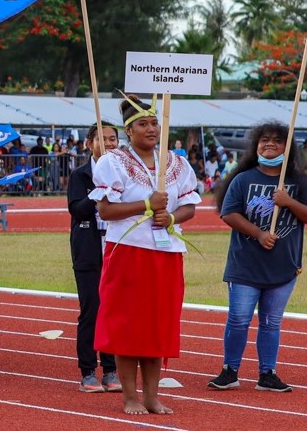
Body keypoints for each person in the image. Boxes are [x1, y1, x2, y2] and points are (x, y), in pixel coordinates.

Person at [93, 96, 201, 416]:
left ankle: (152, 396)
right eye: (143, 124)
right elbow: (105, 210)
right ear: (129, 130)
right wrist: (147, 205)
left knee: (157, 327)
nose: (151, 129)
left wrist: (170, 218)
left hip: (166, 253)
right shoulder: (112, 161)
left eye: (155, 123)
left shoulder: (176, 163)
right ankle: (130, 397)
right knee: (129, 328)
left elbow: (189, 206)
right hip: (127, 252)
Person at [208, 120, 307, 393]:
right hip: (245, 265)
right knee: (239, 318)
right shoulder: (243, 179)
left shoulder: (299, 182)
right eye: (264, 140)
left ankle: (267, 373)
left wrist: (289, 202)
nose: (269, 144)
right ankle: (230, 370)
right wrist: (259, 234)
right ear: (256, 146)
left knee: (271, 322)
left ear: (287, 148)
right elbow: (228, 213)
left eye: (277, 141)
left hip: (284, 266)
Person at [68, 123, 121, 393]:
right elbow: (77, 210)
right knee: (91, 310)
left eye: (113, 139)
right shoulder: (81, 175)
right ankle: (87, 371)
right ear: (90, 144)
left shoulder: (124, 173)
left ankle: (111, 370)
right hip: (89, 250)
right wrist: (98, 190)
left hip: (117, 249)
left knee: (113, 311)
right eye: (103, 139)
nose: (109, 144)